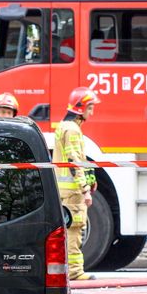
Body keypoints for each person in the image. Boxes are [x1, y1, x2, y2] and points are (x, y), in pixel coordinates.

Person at [54, 87, 99, 281]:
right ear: (81, 108)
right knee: (75, 229)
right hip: (72, 191)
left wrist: (90, 180)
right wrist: (85, 190)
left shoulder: (65, 126)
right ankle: (75, 272)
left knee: (71, 229)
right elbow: (74, 161)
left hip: (66, 189)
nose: (92, 112)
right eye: (90, 107)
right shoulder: (72, 130)